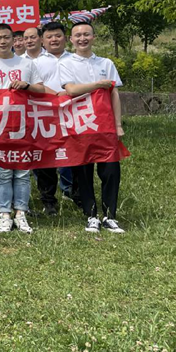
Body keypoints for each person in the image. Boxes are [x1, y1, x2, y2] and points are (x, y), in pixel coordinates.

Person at [0, 23, 44, 234]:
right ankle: (4, 214)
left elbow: (41, 89)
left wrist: (26, 86)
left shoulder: (26, 64)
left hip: (23, 125)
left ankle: (21, 213)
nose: (2, 42)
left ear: (14, 40)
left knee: (22, 173)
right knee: (2, 172)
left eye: (6, 37)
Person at [58, 22, 126, 234]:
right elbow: (71, 90)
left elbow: (114, 94)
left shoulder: (106, 63)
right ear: (71, 39)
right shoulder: (66, 63)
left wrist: (118, 124)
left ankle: (110, 216)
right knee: (83, 172)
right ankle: (91, 215)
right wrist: (98, 85)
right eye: (77, 35)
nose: (82, 38)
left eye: (86, 34)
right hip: (80, 124)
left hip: (105, 125)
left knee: (111, 171)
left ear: (93, 37)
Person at [30, 21, 74, 215]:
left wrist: (67, 95)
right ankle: (48, 200)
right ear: (42, 40)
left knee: (74, 153)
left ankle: (75, 193)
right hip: (45, 114)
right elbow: (34, 85)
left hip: (73, 112)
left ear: (65, 38)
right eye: (49, 37)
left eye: (58, 35)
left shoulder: (75, 59)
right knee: (46, 158)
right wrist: (56, 95)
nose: (54, 40)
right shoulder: (35, 63)